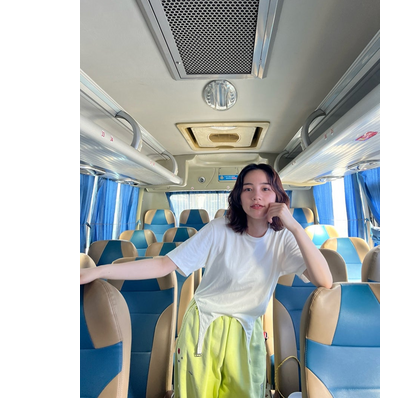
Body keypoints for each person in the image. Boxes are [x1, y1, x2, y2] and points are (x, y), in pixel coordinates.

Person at [80, 163, 333, 398]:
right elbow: (163, 264)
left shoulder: (284, 238)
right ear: (239, 196)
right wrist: (99, 271)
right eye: (248, 189)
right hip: (204, 326)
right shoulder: (219, 229)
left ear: (278, 196)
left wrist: (295, 227)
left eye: (265, 189)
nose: (256, 196)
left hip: (247, 330)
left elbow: (325, 280)